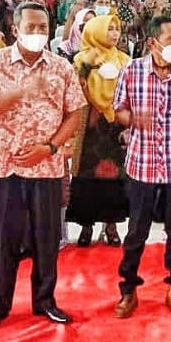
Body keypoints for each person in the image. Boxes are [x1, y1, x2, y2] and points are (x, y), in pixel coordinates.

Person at [0, 3, 87, 331]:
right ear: (15, 29)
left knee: (47, 237)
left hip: (47, 166)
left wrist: (49, 147)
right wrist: (17, 93)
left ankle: (45, 300)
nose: (37, 33)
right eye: (30, 27)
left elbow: (75, 113)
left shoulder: (61, 67)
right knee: (4, 238)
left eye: (42, 27)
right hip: (7, 166)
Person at [112, 16, 171, 319]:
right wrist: (133, 120)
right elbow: (118, 111)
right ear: (153, 42)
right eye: (170, 40)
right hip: (141, 164)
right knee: (136, 231)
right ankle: (128, 289)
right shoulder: (132, 71)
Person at [69, 14, 130, 247]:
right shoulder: (81, 60)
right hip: (90, 127)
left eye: (116, 29)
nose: (114, 33)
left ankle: (111, 226)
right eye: (109, 28)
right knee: (86, 177)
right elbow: (74, 91)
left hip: (115, 125)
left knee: (115, 177)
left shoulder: (124, 60)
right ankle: (87, 226)